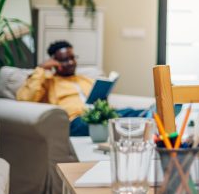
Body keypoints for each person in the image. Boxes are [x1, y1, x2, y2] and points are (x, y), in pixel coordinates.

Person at [16, 40, 145, 136]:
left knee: (128, 112)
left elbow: (101, 101)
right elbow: (25, 100)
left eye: (72, 58)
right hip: (75, 122)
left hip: (99, 116)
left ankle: (148, 114)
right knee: (94, 122)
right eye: (65, 60)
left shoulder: (86, 79)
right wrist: (41, 69)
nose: (71, 62)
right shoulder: (48, 82)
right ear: (54, 62)